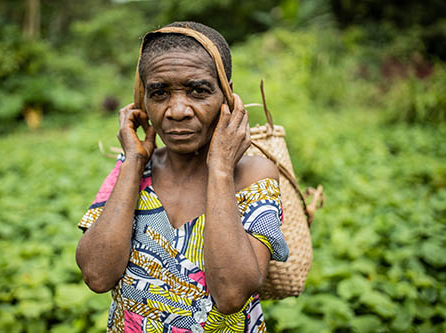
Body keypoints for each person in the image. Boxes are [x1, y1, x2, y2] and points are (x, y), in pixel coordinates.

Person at [75, 21, 289, 333]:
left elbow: (230, 295)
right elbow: (97, 275)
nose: (177, 110)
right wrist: (134, 161)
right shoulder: (132, 170)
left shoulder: (253, 174)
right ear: (142, 102)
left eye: (198, 90)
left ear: (228, 98)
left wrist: (219, 169)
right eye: (159, 92)